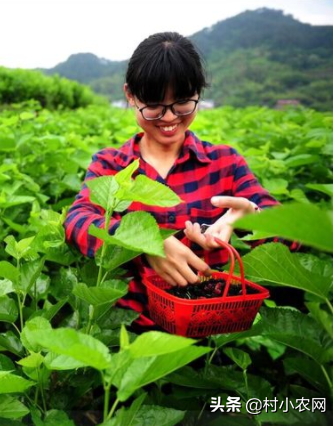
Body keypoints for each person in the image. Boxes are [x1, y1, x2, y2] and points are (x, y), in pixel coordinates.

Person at [64, 32, 295, 331]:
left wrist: (255, 218)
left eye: (183, 103)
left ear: (198, 93)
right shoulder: (113, 165)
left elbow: (292, 235)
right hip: (130, 330)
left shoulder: (225, 163)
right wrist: (147, 243)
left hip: (212, 329)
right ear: (130, 96)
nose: (169, 117)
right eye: (154, 104)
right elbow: (77, 221)